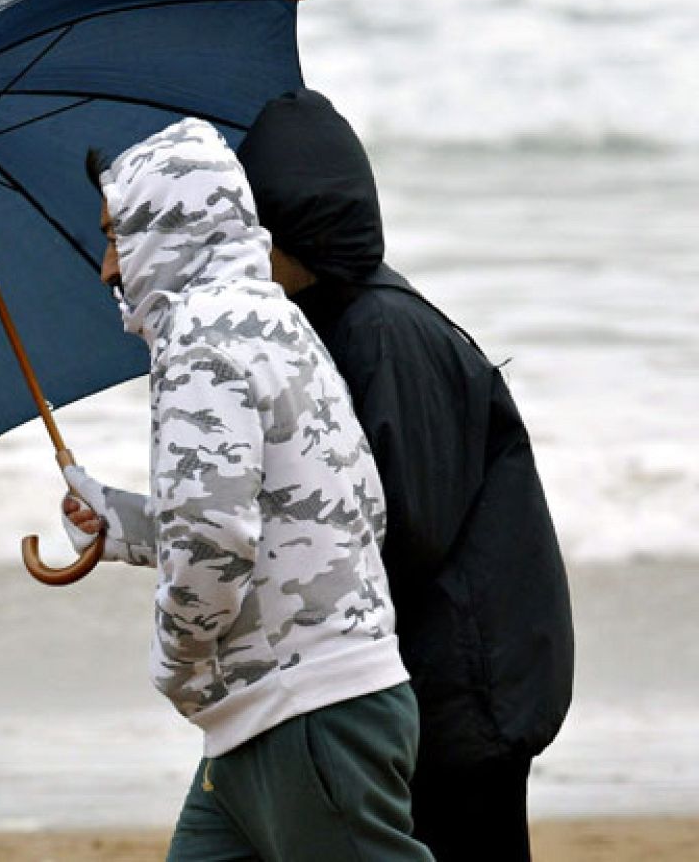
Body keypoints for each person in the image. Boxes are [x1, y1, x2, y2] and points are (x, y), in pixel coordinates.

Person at [61, 116, 431, 861]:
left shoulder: (200, 338)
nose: (106, 267)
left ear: (166, 226)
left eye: (117, 234)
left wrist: (175, 662)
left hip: (307, 711)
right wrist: (123, 523)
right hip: (277, 712)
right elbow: (329, 502)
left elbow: (215, 543)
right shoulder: (275, 321)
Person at [227, 89, 575, 860]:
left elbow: (402, 525)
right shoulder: (340, 320)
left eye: (253, 228)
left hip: (467, 689)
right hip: (431, 677)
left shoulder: (384, 331)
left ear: (291, 231)